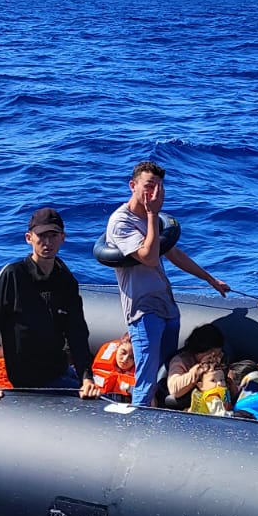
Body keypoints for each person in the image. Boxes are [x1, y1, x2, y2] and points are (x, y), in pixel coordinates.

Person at [104, 162, 230, 406]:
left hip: (167, 306)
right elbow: (150, 258)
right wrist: (152, 214)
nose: (155, 193)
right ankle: (138, 427)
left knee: (164, 369)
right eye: (149, 186)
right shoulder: (121, 222)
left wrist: (210, 279)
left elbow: (173, 253)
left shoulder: (154, 219)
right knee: (147, 378)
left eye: (160, 187)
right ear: (133, 186)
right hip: (143, 310)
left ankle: (162, 417)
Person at [0, 207, 101, 407]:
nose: (48, 242)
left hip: (59, 372)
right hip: (30, 381)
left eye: (53, 235)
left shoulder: (66, 281)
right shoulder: (13, 276)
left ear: (62, 238)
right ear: (29, 238)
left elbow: (77, 331)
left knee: (103, 397)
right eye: (41, 236)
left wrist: (87, 377)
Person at [163, 324, 227, 409]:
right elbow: (174, 389)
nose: (214, 359)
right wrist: (200, 369)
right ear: (198, 351)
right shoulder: (181, 360)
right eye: (210, 354)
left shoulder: (222, 359)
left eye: (218, 354)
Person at [90, 335, 136, 399]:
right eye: (123, 353)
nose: (125, 359)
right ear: (117, 347)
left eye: (132, 357)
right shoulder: (87, 373)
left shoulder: (142, 378)